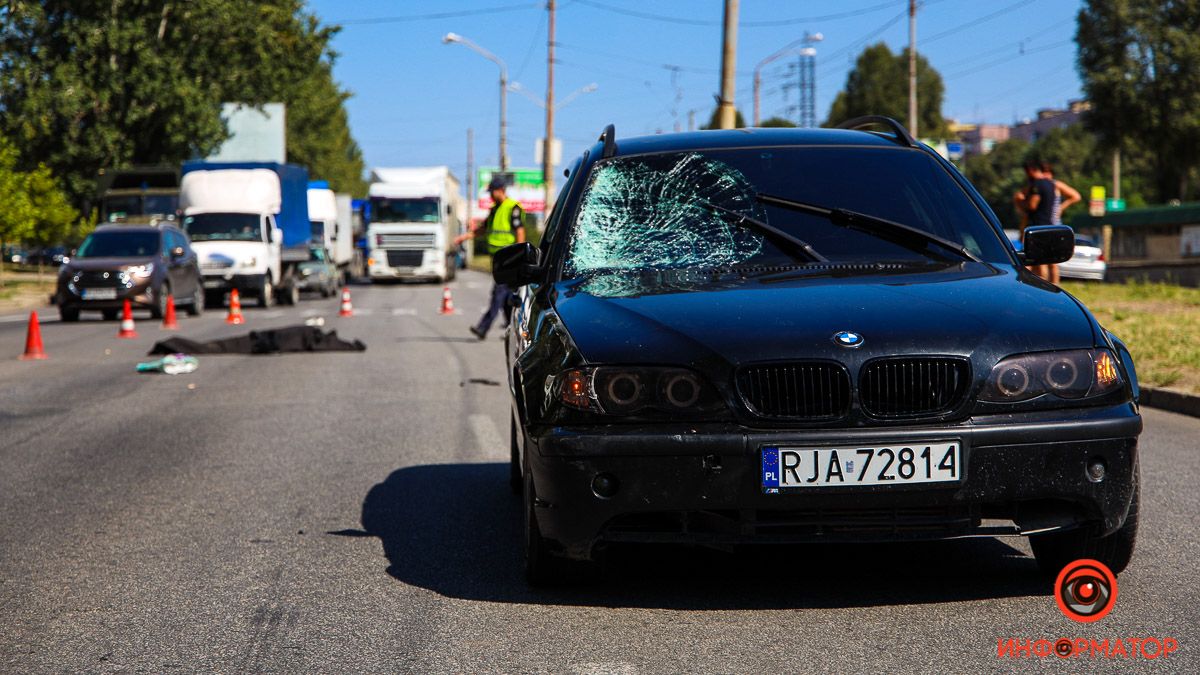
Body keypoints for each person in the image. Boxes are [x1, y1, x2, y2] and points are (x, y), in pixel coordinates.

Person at [454, 176, 525, 340]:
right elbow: (483, 229)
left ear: (500, 190)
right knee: (507, 297)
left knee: (498, 294)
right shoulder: (494, 209)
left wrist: (519, 255)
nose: (490, 196)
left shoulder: (512, 207)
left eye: (492, 192)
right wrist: (463, 238)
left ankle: (483, 328)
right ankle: (512, 330)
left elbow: (520, 231)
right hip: (497, 259)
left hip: (508, 258)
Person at [1016, 161, 1061, 284]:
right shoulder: (1051, 184)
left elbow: (1032, 205)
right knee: (1048, 261)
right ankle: (1054, 285)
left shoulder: (1037, 185)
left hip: (1036, 226)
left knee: (1037, 260)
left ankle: (1040, 285)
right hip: (1049, 224)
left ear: (1030, 170)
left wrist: (1020, 201)